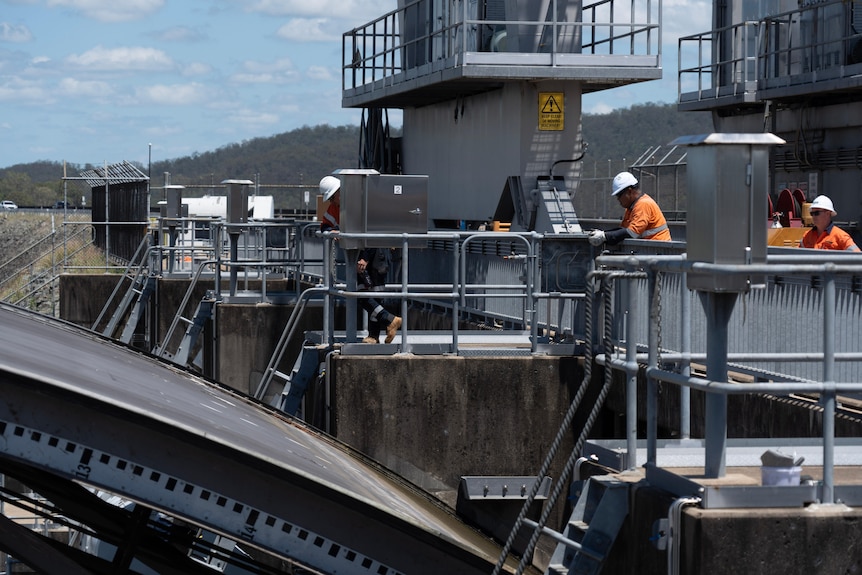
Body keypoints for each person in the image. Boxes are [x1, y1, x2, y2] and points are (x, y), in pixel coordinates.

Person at [318, 175, 402, 343]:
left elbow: (372, 232)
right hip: (362, 253)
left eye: (332, 198)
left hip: (375, 253)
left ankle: (382, 328)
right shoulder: (336, 208)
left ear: (338, 192)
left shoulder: (360, 204)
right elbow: (325, 225)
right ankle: (380, 330)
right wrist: (331, 231)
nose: (332, 202)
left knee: (369, 295)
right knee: (366, 294)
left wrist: (364, 258)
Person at [588, 171, 671, 246]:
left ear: (629, 191)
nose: (618, 199)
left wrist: (604, 236)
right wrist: (605, 233)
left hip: (658, 252)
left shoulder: (643, 204)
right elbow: (623, 229)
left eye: (619, 195)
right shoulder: (631, 207)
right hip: (651, 251)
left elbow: (632, 232)